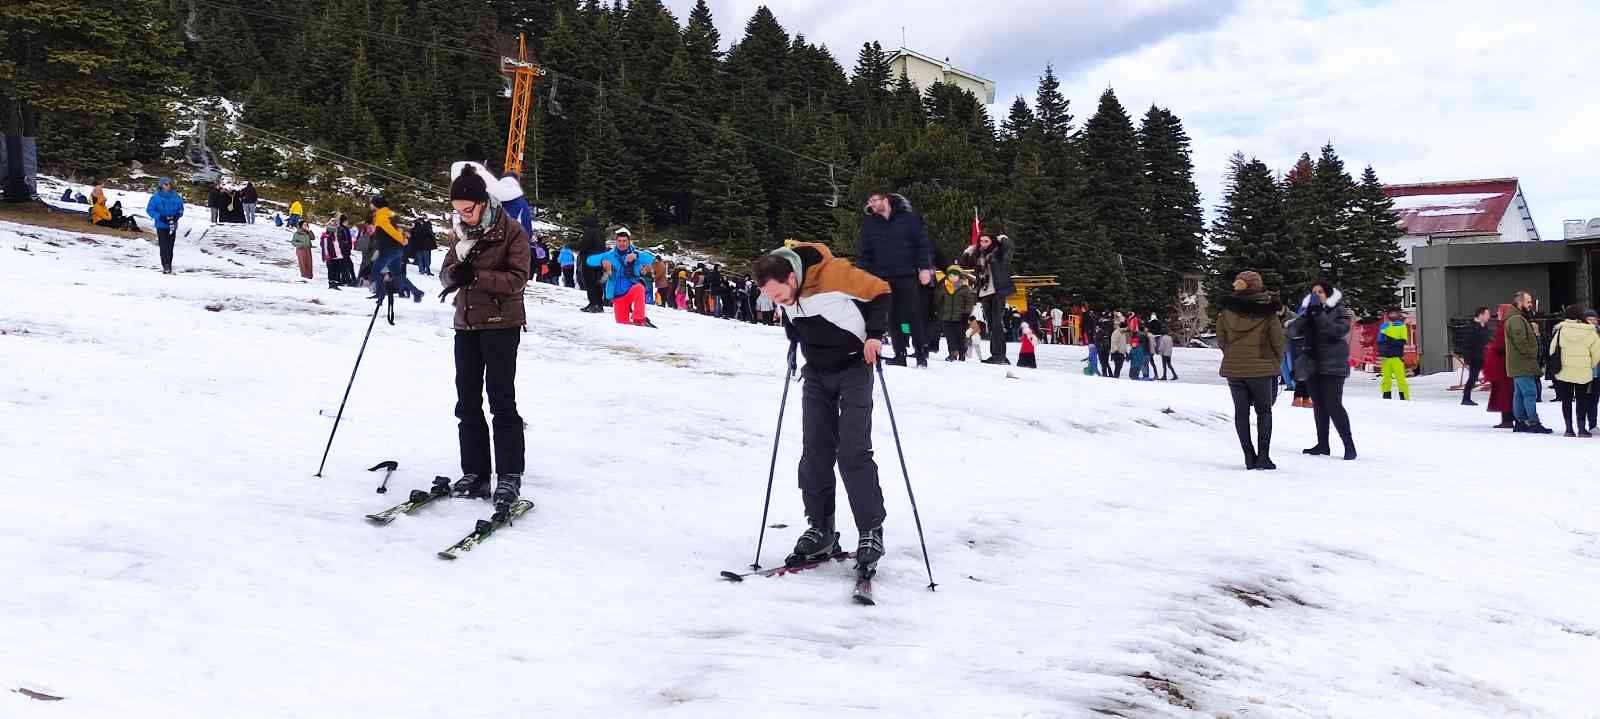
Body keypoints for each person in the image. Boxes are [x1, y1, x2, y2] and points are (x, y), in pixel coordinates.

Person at [751, 242, 891, 575]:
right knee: (815, 452)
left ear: (792, 276)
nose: (780, 302)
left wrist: (874, 335)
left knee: (853, 452)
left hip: (855, 367)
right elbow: (793, 317)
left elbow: (882, 292)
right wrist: (793, 342)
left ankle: (871, 530)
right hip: (816, 373)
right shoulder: (782, 287)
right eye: (774, 299)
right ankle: (821, 528)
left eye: (782, 296)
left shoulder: (833, 274)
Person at [441, 163, 531, 509]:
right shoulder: (461, 235)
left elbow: (517, 279)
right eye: (457, 211)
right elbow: (445, 274)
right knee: (466, 401)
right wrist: (455, 274)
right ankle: (476, 473)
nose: (463, 216)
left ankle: (509, 475)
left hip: (501, 324)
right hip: (466, 325)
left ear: (483, 203)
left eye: (468, 209)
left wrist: (475, 276)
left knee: (501, 400)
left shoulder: (511, 233)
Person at [1217, 271, 1286, 470]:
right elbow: (1278, 342)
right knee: (1264, 411)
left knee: (1241, 413)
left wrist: (1233, 356)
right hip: (1261, 368)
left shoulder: (1225, 312)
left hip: (1234, 369)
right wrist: (1274, 363)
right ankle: (1263, 457)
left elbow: (1222, 341)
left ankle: (1249, 456)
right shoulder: (1267, 312)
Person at [858, 189, 933, 367]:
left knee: (913, 313)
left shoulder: (908, 219)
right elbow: (864, 251)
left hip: (907, 274)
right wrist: (862, 273)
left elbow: (922, 244)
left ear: (887, 199)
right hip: (882, 277)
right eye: (870, 201)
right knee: (892, 316)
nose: (872, 204)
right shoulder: (869, 224)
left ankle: (921, 352)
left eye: (875, 200)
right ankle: (900, 353)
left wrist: (924, 268)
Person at [1289, 281, 1357, 460]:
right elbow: (1293, 330)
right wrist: (1307, 315)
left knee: (1333, 405)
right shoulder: (1308, 311)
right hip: (1313, 364)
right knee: (1319, 406)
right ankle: (1322, 444)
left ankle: (1349, 445)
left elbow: (1336, 332)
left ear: (1328, 294)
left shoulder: (1340, 311)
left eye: (1320, 291)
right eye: (1313, 292)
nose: (1316, 294)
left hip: (1333, 365)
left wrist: (1319, 314)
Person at [1546, 304, 1600, 437]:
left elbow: (1552, 350)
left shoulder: (1561, 330)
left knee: (1566, 400)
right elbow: (1597, 354)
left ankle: (1569, 429)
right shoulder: (1590, 331)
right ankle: (1582, 429)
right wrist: (1589, 365)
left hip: (1564, 372)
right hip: (1583, 373)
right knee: (1582, 400)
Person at [586, 227, 657, 327]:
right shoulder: (609, 255)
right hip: (618, 295)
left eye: (624, 241)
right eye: (619, 241)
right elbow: (590, 260)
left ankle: (639, 318)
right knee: (623, 325)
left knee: (639, 288)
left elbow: (651, 258)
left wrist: (636, 255)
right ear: (616, 242)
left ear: (629, 242)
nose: (622, 243)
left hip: (631, 290)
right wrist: (602, 262)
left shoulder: (634, 254)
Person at [962, 233, 1014, 365]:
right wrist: (967, 251)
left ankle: (1000, 356)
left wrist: (1003, 239)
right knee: (991, 324)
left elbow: (1008, 248)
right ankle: (995, 354)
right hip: (985, 293)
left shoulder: (998, 253)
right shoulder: (978, 256)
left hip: (997, 291)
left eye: (986, 241)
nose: (983, 243)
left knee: (997, 323)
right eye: (981, 241)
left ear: (991, 242)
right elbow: (963, 263)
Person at [1505, 291, 1552, 434]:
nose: (1531, 305)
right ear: (1520, 303)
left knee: (1519, 394)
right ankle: (1533, 422)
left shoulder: (1516, 318)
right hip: (1523, 363)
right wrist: (1533, 353)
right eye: (1528, 302)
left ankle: (1520, 422)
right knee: (1530, 393)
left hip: (1518, 364)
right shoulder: (1516, 319)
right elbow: (1521, 341)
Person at [369, 196, 421, 303]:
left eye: (372, 203)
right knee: (397, 274)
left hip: (388, 249)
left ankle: (381, 294)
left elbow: (391, 231)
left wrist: (402, 239)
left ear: (376, 205)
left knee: (375, 271)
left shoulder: (381, 216)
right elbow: (395, 229)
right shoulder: (387, 214)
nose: (370, 205)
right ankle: (416, 292)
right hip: (396, 249)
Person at [1483, 304, 1515, 429]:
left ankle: (1507, 419)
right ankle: (1511, 418)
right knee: (1508, 393)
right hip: (1506, 365)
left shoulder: (1504, 326)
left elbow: (1501, 345)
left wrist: (1492, 348)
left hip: (1502, 366)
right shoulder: (1508, 324)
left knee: (1504, 394)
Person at [935, 265, 977, 361]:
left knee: (960, 337)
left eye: (955, 275)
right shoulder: (944, 288)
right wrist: (941, 312)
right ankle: (952, 354)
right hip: (947, 318)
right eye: (950, 275)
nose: (952, 277)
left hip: (960, 318)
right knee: (950, 338)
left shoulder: (965, 289)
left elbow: (970, 303)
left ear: (960, 276)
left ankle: (962, 354)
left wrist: (966, 314)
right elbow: (939, 302)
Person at [145, 177, 185, 274]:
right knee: (163, 246)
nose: (168, 186)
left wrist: (176, 216)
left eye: (169, 184)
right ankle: (165, 266)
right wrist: (159, 217)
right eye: (166, 184)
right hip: (161, 225)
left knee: (170, 247)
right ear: (161, 185)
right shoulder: (156, 197)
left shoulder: (176, 196)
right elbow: (150, 210)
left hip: (172, 225)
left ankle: (169, 265)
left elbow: (181, 209)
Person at [1460, 306, 1491, 406]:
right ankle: (1466, 398)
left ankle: (1466, 397)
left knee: (1492, 374)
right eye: (1487, 314)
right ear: (1481, 315)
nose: (1488, 317)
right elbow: (1466, 345)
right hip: (1475, 357)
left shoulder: (1484, 326)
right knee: (1473, 378)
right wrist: (1467, 360)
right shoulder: (1472, 327)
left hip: (1483, 356)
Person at [1377, 309, 1410, 400]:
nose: (1393, 315)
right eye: (1391, 313)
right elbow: (1380, 341)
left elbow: (1402, 342)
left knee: (1401, 379)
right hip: (1386, 357)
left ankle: (1404, 398)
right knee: (1386, 379)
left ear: (1397, 315)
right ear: (1388, 315)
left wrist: (1389, 339)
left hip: (1397, 357)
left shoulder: (1402, 326)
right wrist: (1382, 351)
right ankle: (1386, 397)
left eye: (1394, 313)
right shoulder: (1383, 326)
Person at [577, 213, 607, 313]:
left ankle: (593, 303)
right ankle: (599, 304)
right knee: (598, 282)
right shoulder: (601, 232)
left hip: (589, 260)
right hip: (599, 261)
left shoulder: (589, 232)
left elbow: (583, 246)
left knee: (590, 283)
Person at [320, 221, 346, 290]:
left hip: (338, 255)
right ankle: (331, 283)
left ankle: (335, 283)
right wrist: (326, 255)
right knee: (331, 270)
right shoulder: (326, 236)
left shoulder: (336, 235)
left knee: (337, 270)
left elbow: (338, 244)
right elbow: (325, 246)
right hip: (330, 256)